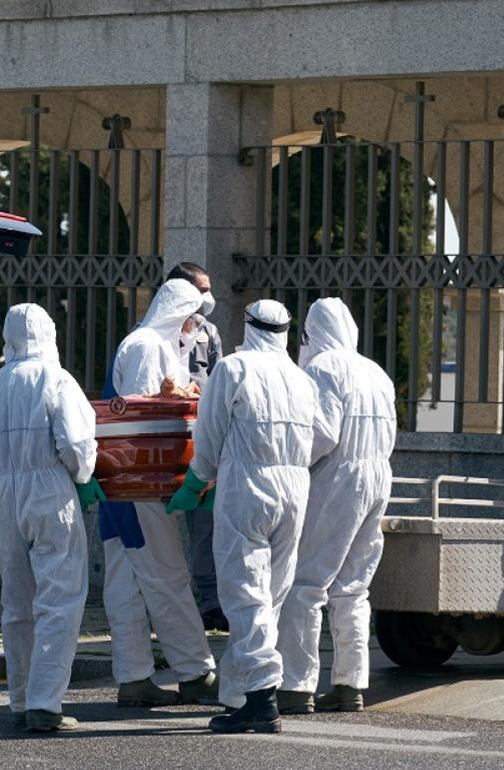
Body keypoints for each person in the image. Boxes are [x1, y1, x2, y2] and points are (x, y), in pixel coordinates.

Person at [170, 299, 318, 734]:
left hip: (248, 486)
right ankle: (241, 692)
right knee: (271, 594)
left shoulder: (234, 368)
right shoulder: (302, 378)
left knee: (244, 591)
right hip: (295, 488)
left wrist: (196, 481)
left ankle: (261, 699)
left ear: (248, 326)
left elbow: (210, 432)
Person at [0, 303, 101, 732]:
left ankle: (22, 698)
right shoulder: (56, 379)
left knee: (17, 600)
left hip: (5, 492)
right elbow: (76, 443)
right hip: (49, 489)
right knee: (60, 597)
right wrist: (82, 477)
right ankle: (46, 703)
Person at [277, 298, 397, 715]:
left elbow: (323, 433)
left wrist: (291, 461)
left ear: (311, 333)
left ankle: (296, 686)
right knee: (354, 586)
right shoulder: (376, 371)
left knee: (306, 583)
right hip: (378, 474)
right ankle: (350, 684)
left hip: (338, 476)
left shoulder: (323, 368)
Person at [101, 277, 217, 707]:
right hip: (141, 482)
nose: (195, 329)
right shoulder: (149, 346)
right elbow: (145, 413)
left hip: (120, 480)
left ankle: (133, 677)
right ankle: (196, 672)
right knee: (167, 575)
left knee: (127, 581)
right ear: (178, 316)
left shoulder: (146, 342)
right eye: (192, 320)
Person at [167, 262, 227, 632]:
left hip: (200, 438)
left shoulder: (209, 332)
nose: (208, 297)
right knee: (159, 527)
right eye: (201, 290)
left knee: (205, 522)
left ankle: (210, 601)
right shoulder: (156, 332)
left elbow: (217, 383)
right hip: (165, 438)